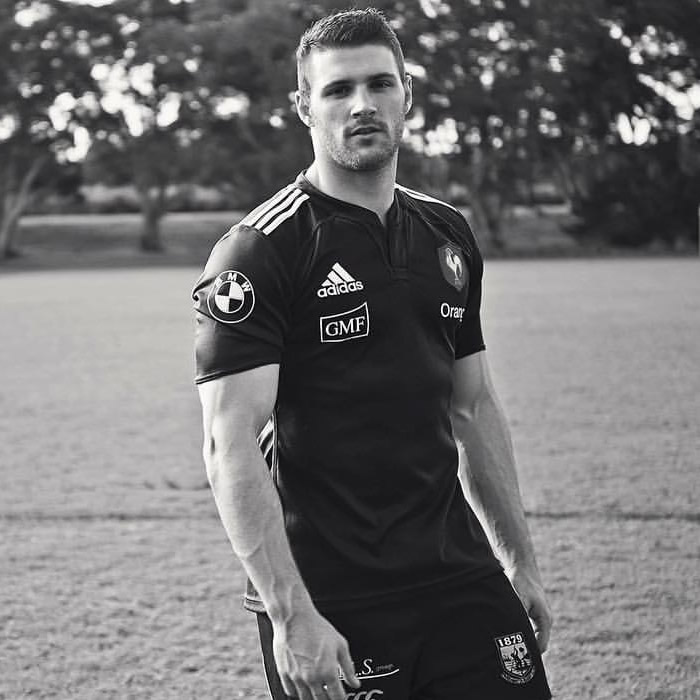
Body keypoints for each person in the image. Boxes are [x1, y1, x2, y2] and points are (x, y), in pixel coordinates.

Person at [193, 8, 553, 700]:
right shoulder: (259, 251)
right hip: (332, 596)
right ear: (305, 106)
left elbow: (473, 408)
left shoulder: (446, 233)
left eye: (379, 84)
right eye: (337, 89)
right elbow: (227, 442)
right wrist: (291, 615)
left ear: (406, 95)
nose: (362, 104)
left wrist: (520, 561)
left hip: (459, 575)